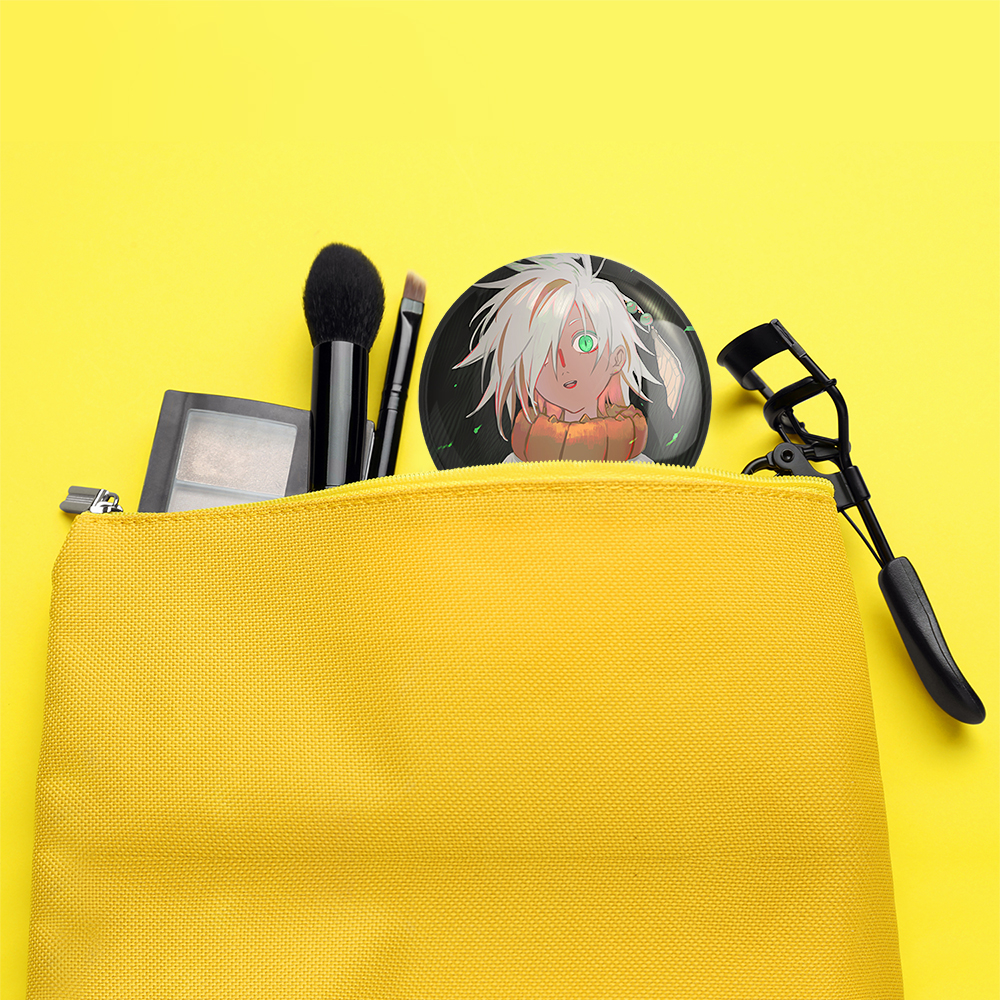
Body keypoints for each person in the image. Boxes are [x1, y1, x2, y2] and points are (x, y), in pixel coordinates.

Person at [455, 254, 681, 463]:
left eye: (584, 343)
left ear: (617, 358)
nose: (561, 365)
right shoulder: (515, 465)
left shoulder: (638, 465)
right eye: (542, 350)